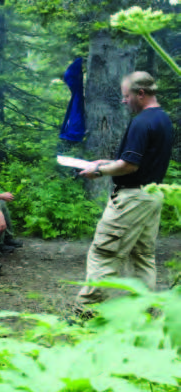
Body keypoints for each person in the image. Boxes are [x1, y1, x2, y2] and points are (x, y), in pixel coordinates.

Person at [75, 71, 173, 308]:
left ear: (140, 93)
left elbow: (129, 165)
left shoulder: (141, 121)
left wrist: (98, 171)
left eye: (126, 96)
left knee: (103, 254)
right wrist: (105, 162)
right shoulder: (163, 119)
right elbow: (141, 159)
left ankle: (86, 313)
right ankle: (144, 312)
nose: (124, 101)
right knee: (143, 257)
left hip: (131, 199)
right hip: (152, 196)